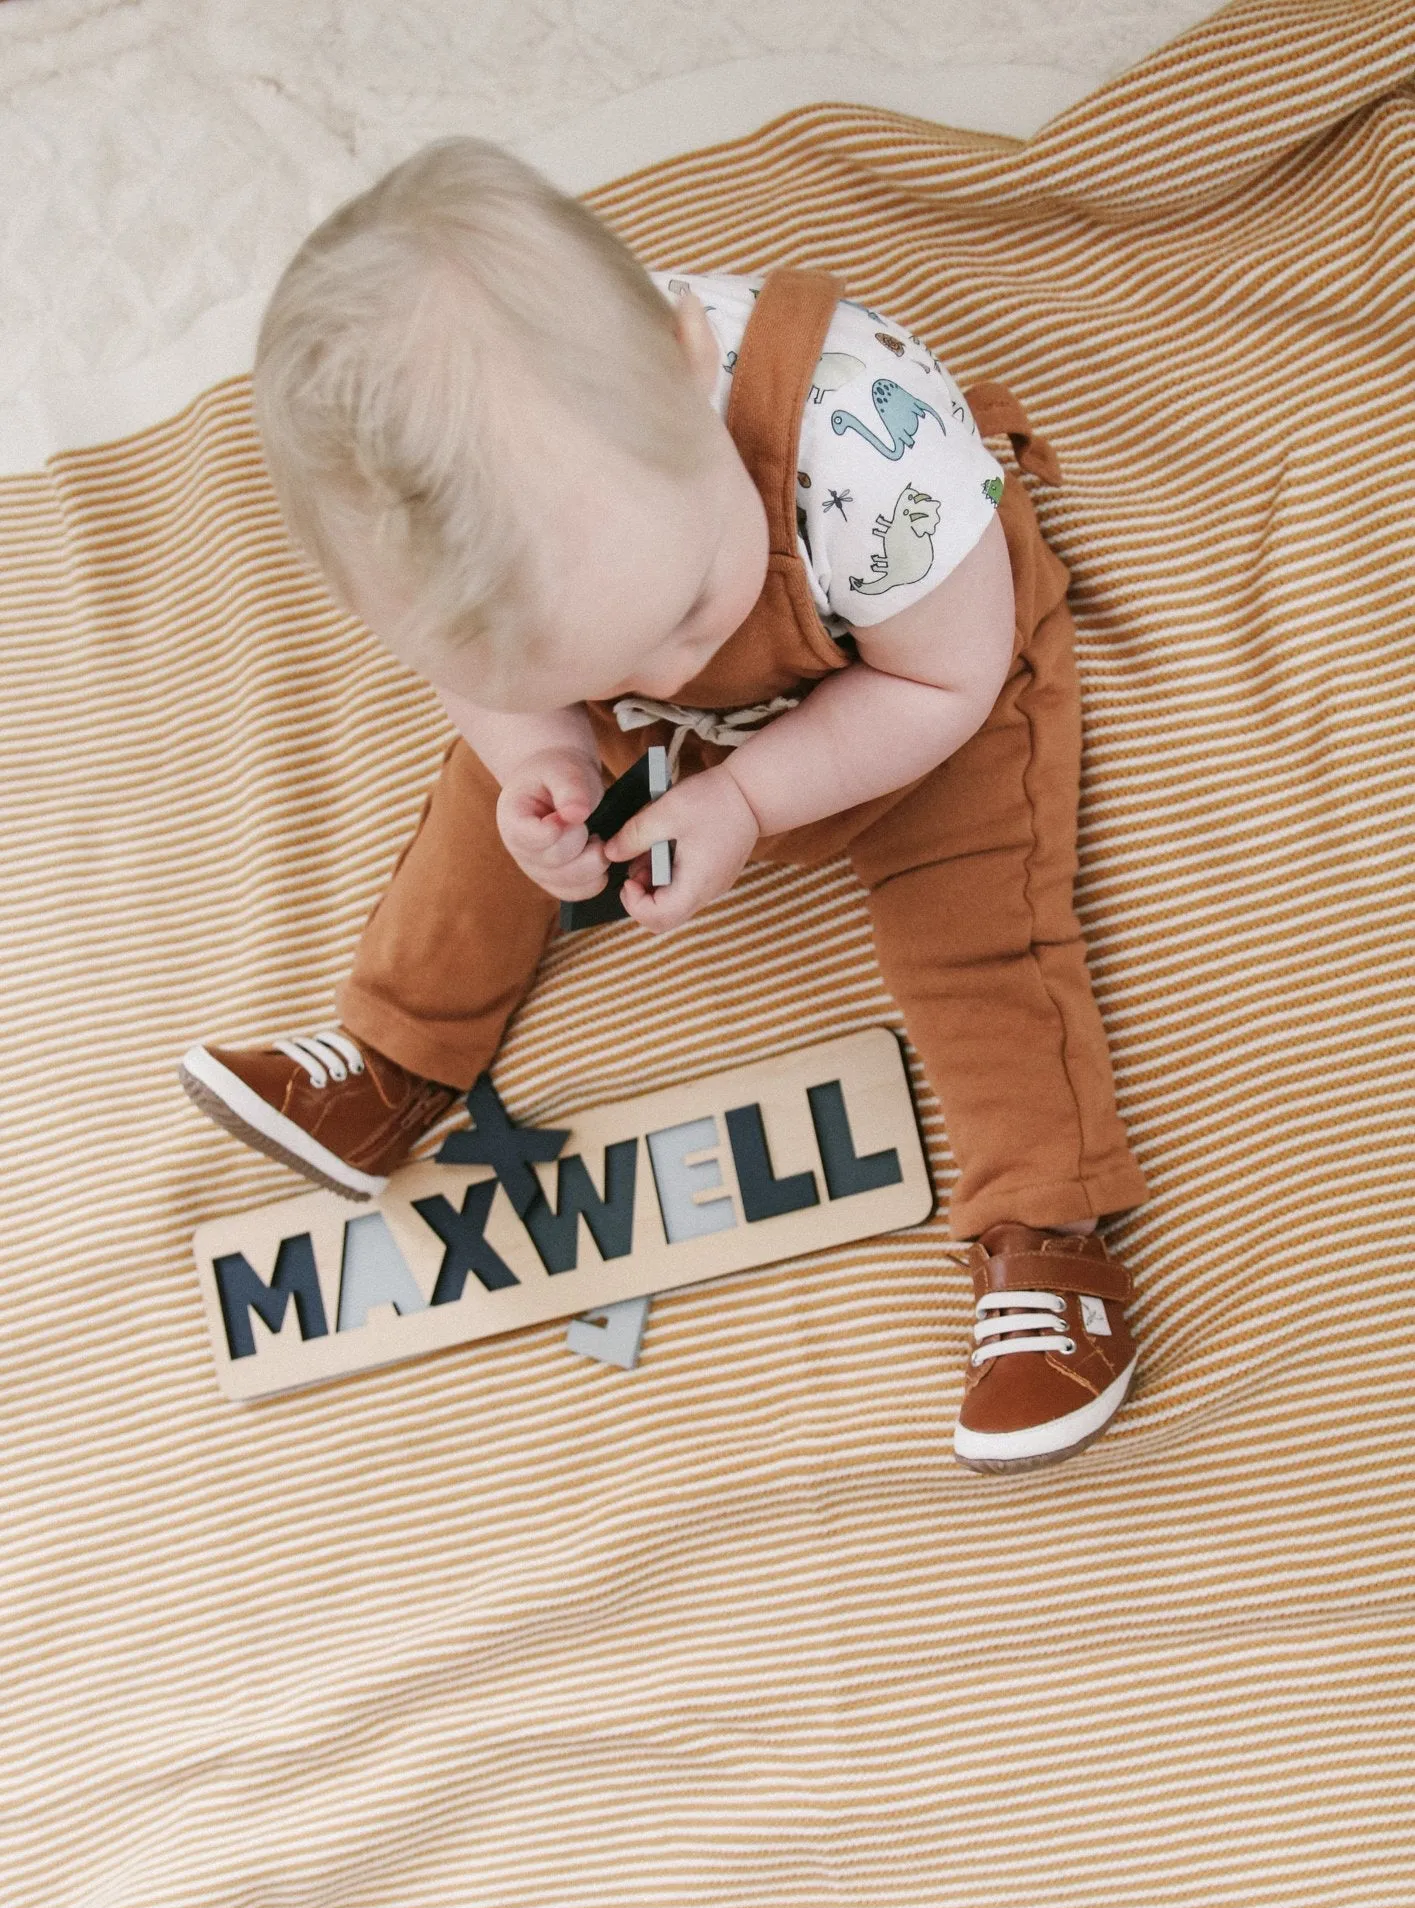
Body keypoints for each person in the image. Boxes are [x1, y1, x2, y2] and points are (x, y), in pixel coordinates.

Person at [179, 137, 1149, 1474]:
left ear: (691, 368)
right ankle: (395, 1057)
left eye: (689, 612)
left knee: (981, 922)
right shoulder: (518, 557)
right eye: (590, 668)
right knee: (492, 810)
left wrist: (748, 794)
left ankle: (1046, 1231)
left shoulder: (879, 460)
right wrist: (545, 754)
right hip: (782, 679)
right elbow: (520, 695)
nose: (665, 681)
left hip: (911, 684)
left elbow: (948, 678)